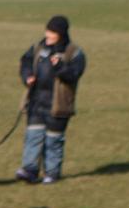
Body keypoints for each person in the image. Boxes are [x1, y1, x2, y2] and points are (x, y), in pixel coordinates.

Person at [15, 16, 86, 185]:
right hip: (36, 100)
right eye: (47, 30)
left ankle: (51, 173)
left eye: (52, 32)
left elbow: (74, 74)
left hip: (59, 104)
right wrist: (27, 77)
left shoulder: (74, 52)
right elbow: (25, 62)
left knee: (53, 140)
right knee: (33, 136)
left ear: (61, 34)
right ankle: (29, 170)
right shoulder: (38, 47)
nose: (47, 34)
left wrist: (59, 67)